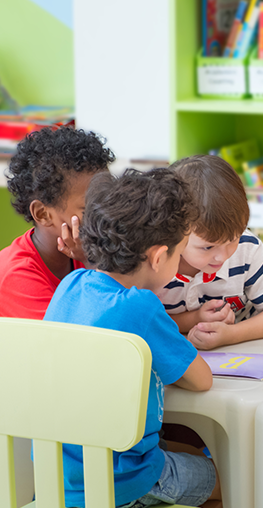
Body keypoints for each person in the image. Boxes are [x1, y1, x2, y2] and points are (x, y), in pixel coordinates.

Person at [45, 168, 222, 508]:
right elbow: (201, 380)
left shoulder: (71, 285)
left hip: (61, 476)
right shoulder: (139, 306)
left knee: (184, 453)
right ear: (158, 257)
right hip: (122, 480)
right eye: (180, 251)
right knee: (235, 478)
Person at [156, 154, 263, 350]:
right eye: (207, 247)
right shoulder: (155, 261)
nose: (222, 257)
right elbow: (139, 322)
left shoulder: (247, 248)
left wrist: (231, 335)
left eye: (233, 240)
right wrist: (193, 319)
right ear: (174, 231)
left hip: (242, 357)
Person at [0, 125, 115, 319]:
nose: (109, 214)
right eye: (89, 209)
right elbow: (84, 337)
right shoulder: (16, 275)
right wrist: (90, 262)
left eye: (110, 201)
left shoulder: (89, 244)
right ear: (43, 214)